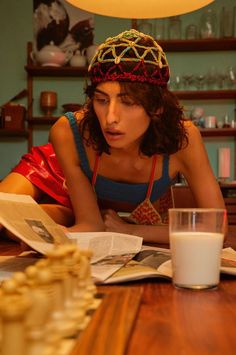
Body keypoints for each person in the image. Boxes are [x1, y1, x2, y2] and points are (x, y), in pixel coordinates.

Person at [0, 29, 225, 244]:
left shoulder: (183, 138)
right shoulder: (68, 131)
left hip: (77, 206)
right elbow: (91, 225)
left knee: (19, 227)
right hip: (56, 165)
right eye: (101, 99)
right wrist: (48, 242)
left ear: (157, 106)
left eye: (128, 102)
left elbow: (216, 227)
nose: (110, 118)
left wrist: (130, 230)